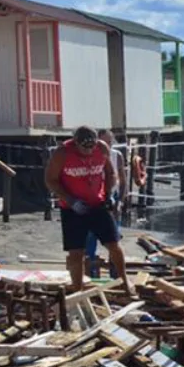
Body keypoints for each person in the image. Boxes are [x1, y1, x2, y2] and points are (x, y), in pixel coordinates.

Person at [44, 125, 132, 294]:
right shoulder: (62, 153)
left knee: (113, 244)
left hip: (97, 204)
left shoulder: (102, 148)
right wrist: (70, 200)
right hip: (73, 208)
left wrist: (108, 194)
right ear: (76, 143)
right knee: (76, 251)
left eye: (92, 147)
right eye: (85, 148)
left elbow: (110, 173)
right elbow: (50, 180)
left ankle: (124, 281)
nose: (89, 152)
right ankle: (77, 288)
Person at [84, 129, 126, 277]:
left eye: (109, 142)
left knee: (113, 239)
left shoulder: (117, 156)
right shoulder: (89, 156)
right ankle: (91, 274)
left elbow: (122, 180)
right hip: (94, 197)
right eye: (104, 142)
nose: (107, 145)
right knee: (90, 237)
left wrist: (120, 201)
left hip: (111, 197)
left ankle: (116, 274)